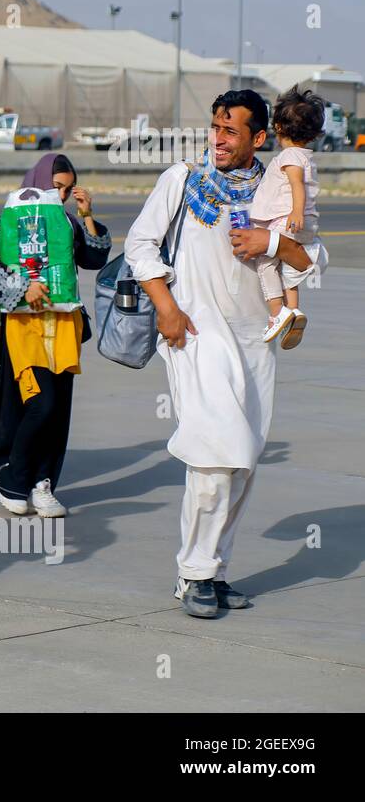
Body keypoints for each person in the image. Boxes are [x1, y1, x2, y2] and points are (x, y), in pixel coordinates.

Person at [125, 89, 321, 619]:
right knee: (215, 456)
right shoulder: (182, 179)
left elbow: (309, 259)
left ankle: (213, 570)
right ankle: (192, 574)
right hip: (196, 334)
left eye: (230, 130)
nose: (217, 138)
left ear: (259, 138)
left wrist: (272, 244)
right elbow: (139, 244)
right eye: (214, 126)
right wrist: (165, 307)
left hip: (257, 341)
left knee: (245, 462)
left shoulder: (280, 187)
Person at [0, 153, 111, 517]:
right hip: (24, 327)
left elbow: (93, 259)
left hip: (64, 326)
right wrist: (22, 288)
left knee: (58, 410)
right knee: (40, 404)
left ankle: (43, 483)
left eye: (69, 189)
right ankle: (13, 477)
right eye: (57, 187)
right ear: (38, 182)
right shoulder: (11, 219)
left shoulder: (69, 224)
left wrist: (87, 216)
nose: (62, 195)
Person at [253, 88, 324, 347]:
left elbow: (296, 185)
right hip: (305, 223)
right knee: (287, 269)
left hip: (287, 219)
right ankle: (294, 312)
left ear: (278, 126)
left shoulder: (289, 156)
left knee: (265, 263)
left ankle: (276, 314)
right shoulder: (307, 156)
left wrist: (295, 211)